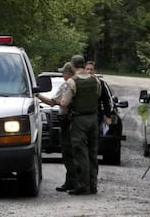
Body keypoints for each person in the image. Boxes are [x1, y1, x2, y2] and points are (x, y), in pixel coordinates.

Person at [61, 55, 101, 195]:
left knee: (80, 153)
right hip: (93, 119)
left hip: (79, 120)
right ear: (83, 65)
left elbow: (64, 103)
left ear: (73, 66)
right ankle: (93, 185)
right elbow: (97, 95)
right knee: (92, 153)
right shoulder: (95, 80)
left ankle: (83, 185)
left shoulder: (72, 82)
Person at [36, 62, 76, 192]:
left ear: (68, 73)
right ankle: (77, 182)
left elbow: (52, 102)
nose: (63, 74)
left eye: (63, 72)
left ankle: (71, 182)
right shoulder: (80, 84)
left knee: (68, 153)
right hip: (79, 123)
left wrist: (36, 95)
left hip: (67, 122)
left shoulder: (67, 85)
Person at [85, 61, 113, 135]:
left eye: (91, 69)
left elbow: (106, 100)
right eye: (87, 69)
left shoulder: (100, 83)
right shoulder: (78, 82)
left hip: (95, 115)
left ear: (94, 71)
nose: (89, 71)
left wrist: (108, 116)